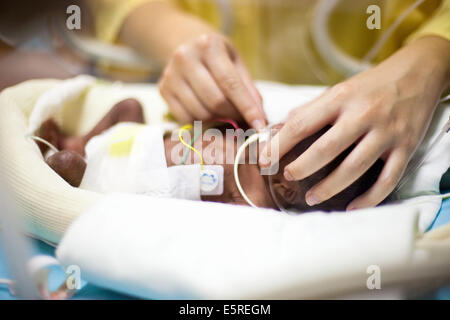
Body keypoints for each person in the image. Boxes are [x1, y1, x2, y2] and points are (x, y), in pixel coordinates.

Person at [86, 0, 450, 210]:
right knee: (126, 110)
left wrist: (430, 59)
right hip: (179, 89)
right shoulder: (239, 144)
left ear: (287, 189)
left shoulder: (247, 198)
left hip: (388, 84)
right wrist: (165, 29)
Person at [37, 99, 382, 212]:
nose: (282, 126)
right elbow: (209, 127)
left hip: (121, 174)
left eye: (291, 135)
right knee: (129, 106)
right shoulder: (253, 144)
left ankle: (67, 156)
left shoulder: (254, 201)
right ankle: (80, 140)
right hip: (138, 139)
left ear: (286, 186)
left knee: (68, 167)